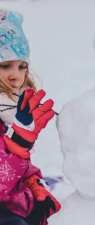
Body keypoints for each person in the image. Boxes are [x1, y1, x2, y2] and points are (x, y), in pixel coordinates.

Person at [0, 8, 61, 225]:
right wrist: (19, 143)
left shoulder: (11, 111)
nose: (15, 75)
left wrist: (32, 180)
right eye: (5, 65)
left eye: (22, 66)